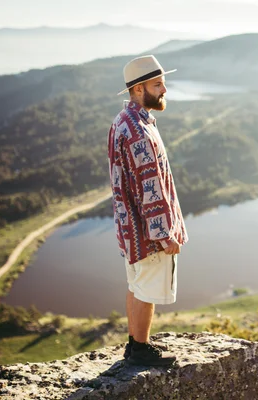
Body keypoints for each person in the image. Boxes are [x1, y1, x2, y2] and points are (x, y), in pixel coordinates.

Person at [107, 55, 188, 366]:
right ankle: (140, 351)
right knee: (147, 290)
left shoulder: (123, 122)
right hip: (148, 232)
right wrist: (164, 235)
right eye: (158, 84)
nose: (164, 89)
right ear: (138, 89)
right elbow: (149, 187)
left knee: (137, 285)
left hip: (130, 228)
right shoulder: (139, 132)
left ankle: (134, 345)